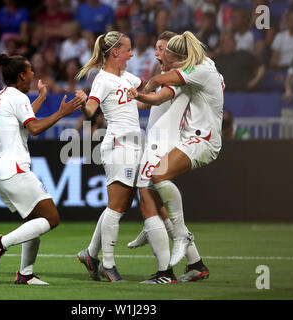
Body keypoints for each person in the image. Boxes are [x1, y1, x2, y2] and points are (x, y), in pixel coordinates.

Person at [128, 30, 224, 280]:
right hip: (191, 138)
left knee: (156, 180)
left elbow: (161, 88)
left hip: (200, 139)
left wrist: (146, 86)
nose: (160, 56)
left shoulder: (197, 71)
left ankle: (177, 241)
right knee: (153, 193)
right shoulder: (201, 66)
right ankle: (195, 264)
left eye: (164, 52)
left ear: (179, 57)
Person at [0, 54, 86, 285]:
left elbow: (24, 117)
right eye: (30, 71)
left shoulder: (0, 97)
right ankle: (0, 244)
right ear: (21, 75)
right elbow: (34, 128)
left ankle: (25, 274)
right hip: (15, 170)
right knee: (51, 217)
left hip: (0, 172)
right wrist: (63, 113)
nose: (33, 75)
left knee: (35, 220)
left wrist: (41, 98)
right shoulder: (18, 97)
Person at [75, 31, 143, 282]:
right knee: (116, 206)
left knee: (122, 205)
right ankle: (108, 264)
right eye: (128, 49)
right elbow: (91, 109)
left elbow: (142, 96)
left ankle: (91, 255)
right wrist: (82, 103)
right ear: (115, 52)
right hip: (119, 144)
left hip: (133, 144)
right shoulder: (102, 80)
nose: (132, 53)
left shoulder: (126, 77)